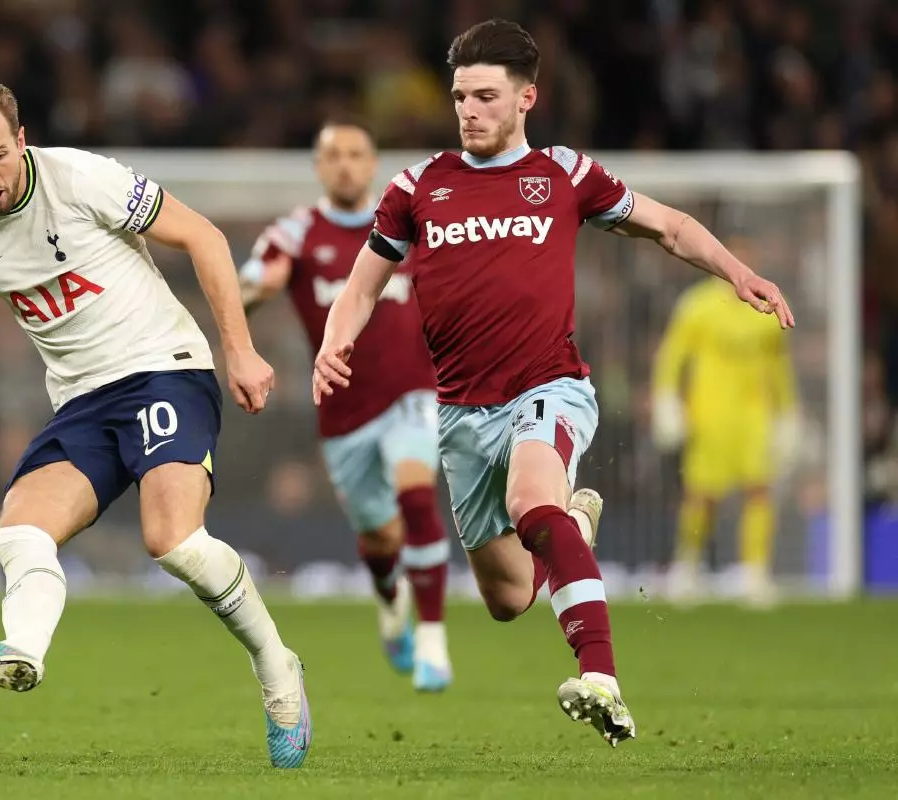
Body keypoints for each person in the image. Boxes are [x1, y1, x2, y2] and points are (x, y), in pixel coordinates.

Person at [313, 19, 794, 747]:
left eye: (484, 95)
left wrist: (738, 273)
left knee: (531, 501)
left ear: (526, 98)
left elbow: (667, 226)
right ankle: (574, 522)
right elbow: (361, 286)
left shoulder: (564, 175)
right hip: (461, 414)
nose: (468, 110)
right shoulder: (419, 187)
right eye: (459, 97)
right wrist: (332, 343)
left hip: (549, 387)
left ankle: (601, 676)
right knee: (507, 597)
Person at [0, 80, 310, 768]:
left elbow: (203, 236)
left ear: (21, 139)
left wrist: (238, 349)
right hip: (81, 401)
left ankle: (278, 668)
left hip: (164, 367)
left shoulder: (84, 178)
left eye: (1, 155)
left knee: (172, 541)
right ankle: (21, 653)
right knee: (19, 532)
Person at [240, 120, 453, 692]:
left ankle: (434, 638)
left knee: (416, 493)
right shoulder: (299, 231)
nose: (344, 165)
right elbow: (261, 276)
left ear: (373, 162)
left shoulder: (409, 223)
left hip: (414, 393)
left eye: (356, 154)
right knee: (381, 539)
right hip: (341, 412)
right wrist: (249, 295)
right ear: (318, 166)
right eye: (332, 155)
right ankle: (391, 601)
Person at [651, 236, 801, 607]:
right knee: (703, 495)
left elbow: (778, 366)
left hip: (754, 416)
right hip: (710, 415)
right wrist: (667, 399)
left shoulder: (768, 306)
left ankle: (755, 572)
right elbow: (672, 356)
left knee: (759, 490)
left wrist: (787, 411)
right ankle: (687, 567)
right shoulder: (698, 306)